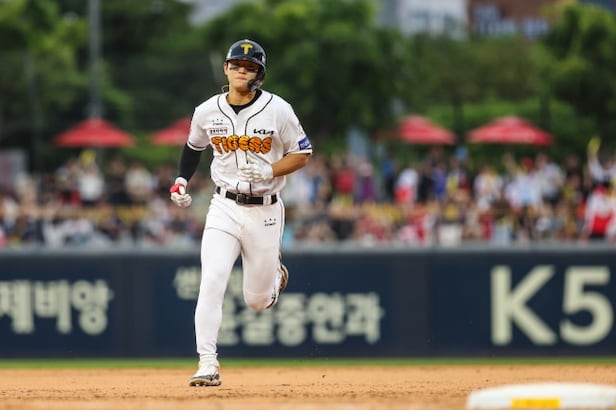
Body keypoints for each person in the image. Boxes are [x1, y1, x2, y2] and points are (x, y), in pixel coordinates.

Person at [168, 39, 312, 387]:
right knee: (212, 279)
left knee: (257, 301)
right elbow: (193, 147)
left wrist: (269, 170)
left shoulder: (278, 109)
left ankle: (275, 276)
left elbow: (303, 152)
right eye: (236, 66)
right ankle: (207, 362)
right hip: (224, 205)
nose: (241, 71)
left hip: (265, 209)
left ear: (259, 74)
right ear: (226, 69)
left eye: (250, 68)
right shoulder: (207, 110)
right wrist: (181, 181)